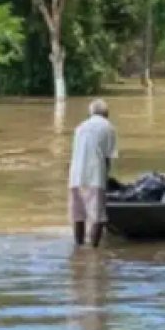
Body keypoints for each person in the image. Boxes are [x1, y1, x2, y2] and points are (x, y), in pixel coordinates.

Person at [68, 99, 118, 248]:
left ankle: (79, 247)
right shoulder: (108, 128)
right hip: (95, 175)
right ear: (106, 113)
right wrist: (106, 178)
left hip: (75, 176)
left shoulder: (80, 127)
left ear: (91, 112)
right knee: (97, 217)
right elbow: (108, 157)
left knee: (78, 215)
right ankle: (95, 250)